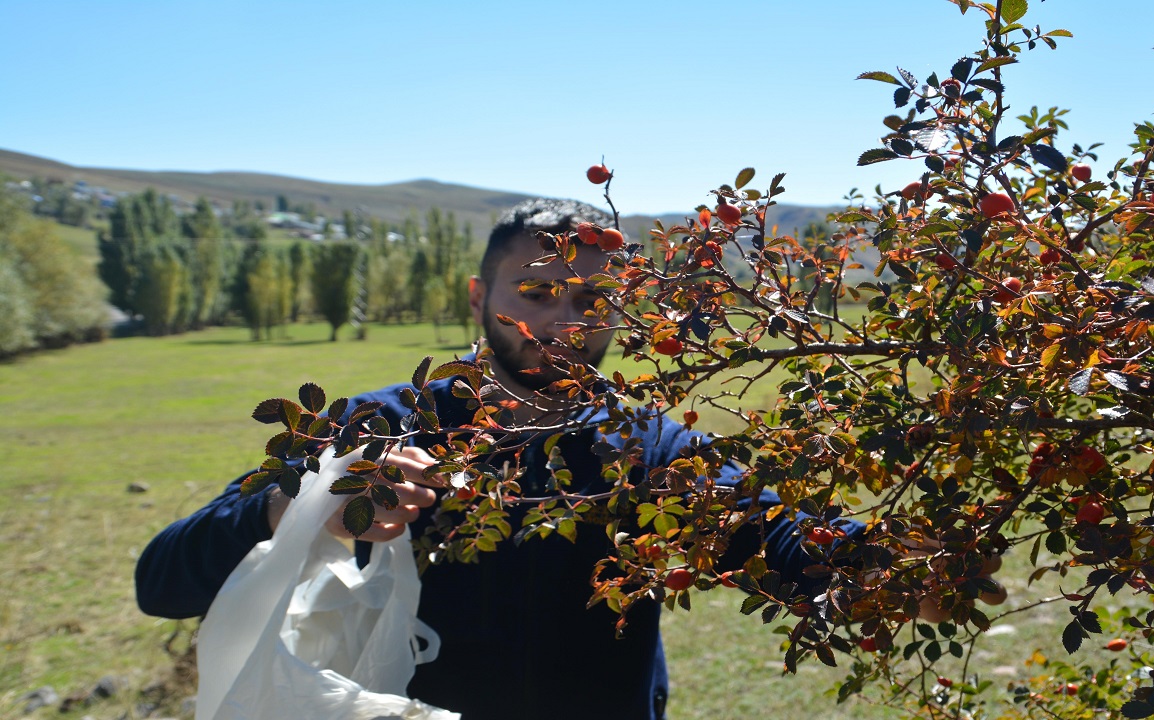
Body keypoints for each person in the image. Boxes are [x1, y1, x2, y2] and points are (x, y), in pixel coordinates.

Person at [135, 198, 995, 720]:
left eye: (591, 299)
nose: (563, 324)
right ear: (481, 298)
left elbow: (776, 535)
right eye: (536, 295)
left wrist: (873, 567)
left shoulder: (647, 448)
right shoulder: (377, 433)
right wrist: (296, 508)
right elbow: (162, 580)